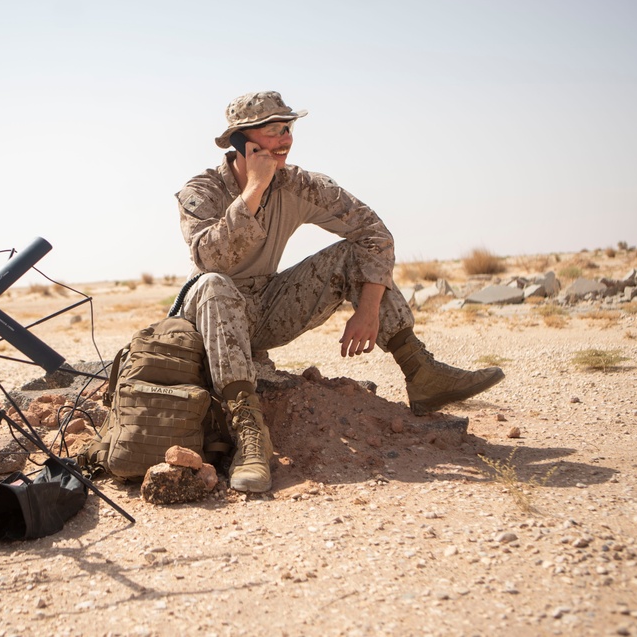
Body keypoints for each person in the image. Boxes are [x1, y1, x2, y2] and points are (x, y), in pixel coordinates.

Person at [173, 91, 504, 493]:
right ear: (243, 141)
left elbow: (374, 234)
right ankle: (248, 433)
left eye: (288, 128)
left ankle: (421, 372)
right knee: (215, 285)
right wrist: (253, 192)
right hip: (210, 318)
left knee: (352, 254)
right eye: (274, 130)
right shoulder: (202, 191)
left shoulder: (300, 185)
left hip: (265, 308)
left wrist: (368, 309)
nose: (285, 139)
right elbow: (212, 260)